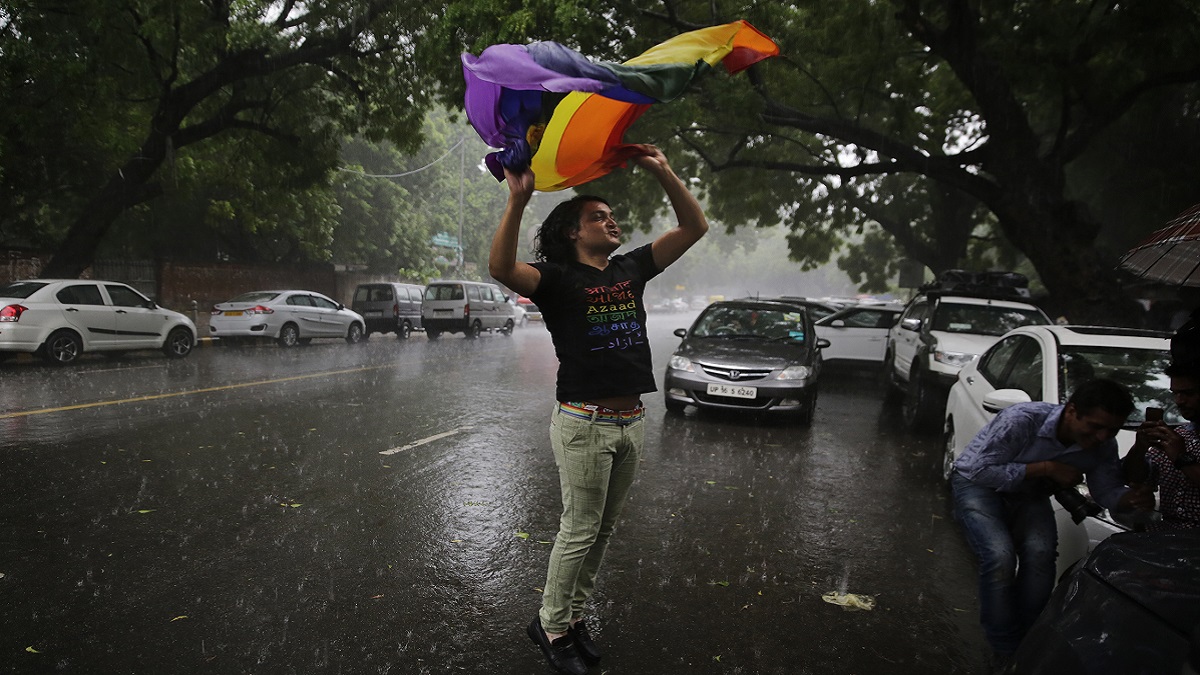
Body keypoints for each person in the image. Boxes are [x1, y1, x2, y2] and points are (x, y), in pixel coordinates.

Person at [489, 145, 708, 675]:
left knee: (602, 532)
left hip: (630, 423)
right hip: (584, 423)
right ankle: (552, 627)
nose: (611, 223)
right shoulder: (556, 279)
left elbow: (694, 226)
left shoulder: (631, 267)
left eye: (612, 217)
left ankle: (571, 616)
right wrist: (518, 199)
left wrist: (661, 169)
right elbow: (499, 267)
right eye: (598, 217)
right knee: (580, 530)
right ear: (572, 231)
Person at [949, 378, 1155, 666]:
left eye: (1112, 430)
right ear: (1071, 411)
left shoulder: (1103, 445)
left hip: (1029, 493)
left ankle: (1029, 639)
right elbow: (979, 470)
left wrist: (1131, 499)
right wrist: (1048, 468)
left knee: (1041, 554)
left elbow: (1106, 491)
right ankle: (1005, 647)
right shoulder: (1022, 420)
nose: (1102, 437)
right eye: (1095, 427)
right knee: (999, 556)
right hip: (978, 485)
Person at [1123, 361, 1200, 531]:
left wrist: (1182, 458)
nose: (1179, 401)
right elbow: (1135, 478)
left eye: (1188, 393)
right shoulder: (1179, 436)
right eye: (1176, 393)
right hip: (1166, 541)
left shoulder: (1177, 443)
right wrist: (1140, 448)